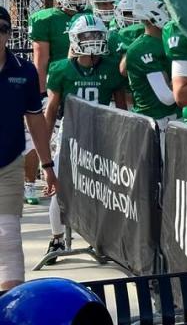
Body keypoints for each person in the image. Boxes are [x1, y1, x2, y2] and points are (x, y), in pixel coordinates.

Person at [43, 14, 127, 262]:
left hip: (101, 137)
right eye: (86, 36)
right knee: (60, 190)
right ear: (74, 39)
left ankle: (101, 241)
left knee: (102, 191)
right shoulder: (60, 69)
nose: (92, 40)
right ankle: (57, 238)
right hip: (70, 136)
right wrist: (44, 151)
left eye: (97, 35)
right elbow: (50, 112)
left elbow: (122, 111)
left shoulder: (111, 68)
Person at [0, 6, 57, 290]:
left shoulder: (24, 71)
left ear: (9, 35)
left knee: (8, 236)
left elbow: (35, 120)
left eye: (1, 28)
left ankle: (9, 305)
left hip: (8, 163)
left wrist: (47, 166)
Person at [121, 0, 179, 136]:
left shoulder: (170, 38)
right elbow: (167, 97)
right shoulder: (143, 48)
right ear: (152, 13)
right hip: (154, 126)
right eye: (166, 7)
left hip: (174, 121)